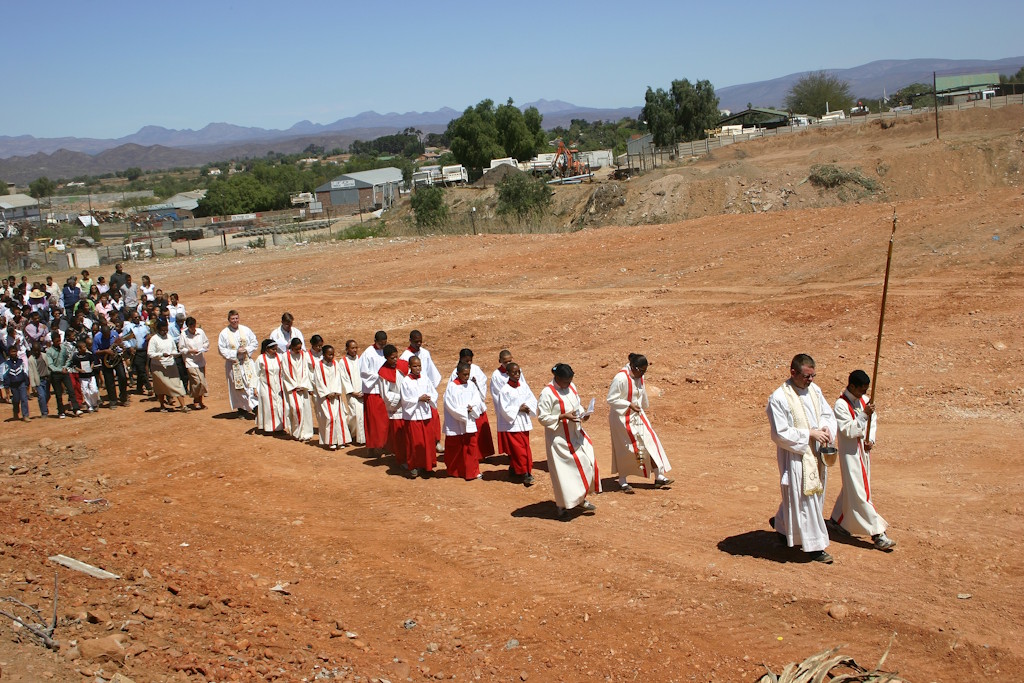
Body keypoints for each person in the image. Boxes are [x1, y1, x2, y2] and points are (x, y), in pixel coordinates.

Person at [767, 353, 838, 564]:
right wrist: (809, 434)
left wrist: (825, 428)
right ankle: (815, 546)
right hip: (796, 456)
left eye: (813, 375)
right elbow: (779, 433)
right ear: (793, 372)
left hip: (815, 454)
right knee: (805, 499)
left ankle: (781, 526)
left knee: (804, 497)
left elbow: (827, 413)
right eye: (807, 376)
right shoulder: (779, 397)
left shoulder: (815, 391)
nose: (811, 380)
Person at [828, 370, 896, 551]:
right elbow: (848, 431)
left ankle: (837, 519)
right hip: (850, 455)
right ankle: (878, 534)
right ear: (852, 386)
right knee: (861, 492)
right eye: (862, 390)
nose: (864, 393)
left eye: (866, 390)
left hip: (863, 453)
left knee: (854, 486)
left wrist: (870, 439)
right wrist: (864, 415)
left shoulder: (865, 400)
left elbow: (873, 422)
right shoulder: (840, 405)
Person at [538, 363, 600, 517]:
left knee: (586, 463)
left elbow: (576, 405)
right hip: (559, 440)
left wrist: (584, 414)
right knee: (563, 474)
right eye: (565, 381)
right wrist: (561, 416)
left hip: (575, 434)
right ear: (557, 378)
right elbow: (542, 417)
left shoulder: (572, 387)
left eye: (570, 381)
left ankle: (580, 499)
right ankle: (562, 507)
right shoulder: (547, 393)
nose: (568, 384)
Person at [607, 353, 673, 493]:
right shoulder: (620, 378)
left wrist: (641, 408)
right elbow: (611, 399)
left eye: (645, 371)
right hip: (621, 418)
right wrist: (629, 405)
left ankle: (659, 476)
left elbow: (641, 394)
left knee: (650, 441)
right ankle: (623, 481)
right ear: (634, 367)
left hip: (637, 415)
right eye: (641, 371)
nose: (643, 374)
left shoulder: (639, 375)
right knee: (626, 449)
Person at [494, 362, 537, 486]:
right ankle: (525, 473)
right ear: (507, 373)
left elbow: (531, 399)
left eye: (518, 372)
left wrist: (528, 407)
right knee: (519, 450)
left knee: (525, 447)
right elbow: (504, 408)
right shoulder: (504, 390)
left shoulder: (523, 386)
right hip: (512, 424)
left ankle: (514, 469)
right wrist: (518, 408)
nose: (517, 374)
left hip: (523, 422)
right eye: (514, 372)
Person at [400, 330, 443, 454]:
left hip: (426, 389)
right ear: (410, 341)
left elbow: (431, 372)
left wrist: (430, 391)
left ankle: (436, 442)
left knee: (433, 418)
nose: (419, 344)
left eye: (420, 341)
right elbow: (403, 377)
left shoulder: (425, 353)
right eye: (416, 341)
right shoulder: (405, 356)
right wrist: (417, 396)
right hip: (413, 392)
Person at [449, 349, 495, 460]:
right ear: (460, 359)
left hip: (476, 404)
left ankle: (483, 454)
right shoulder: (456, 372)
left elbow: (483, 381)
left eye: (470, 360)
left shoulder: (476, 369)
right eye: (466, 360)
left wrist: (476, 383)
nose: (469, 363)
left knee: (481, 431)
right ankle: (473, 455)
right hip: (465, 408)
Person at [442, 362, 486, 480]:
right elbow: (450, 405)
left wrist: (472, 408)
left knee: (471, 446)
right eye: (464, 374)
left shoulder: (471, 385)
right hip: (456, 421)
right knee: (456, 448)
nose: (467, 377)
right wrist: (464, 412)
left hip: (469, 419)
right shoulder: (452, 387)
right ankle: (455, 471)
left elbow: (477, 400)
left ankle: (472, 471)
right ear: (458, 374)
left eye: (468, 374)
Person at [401, 356, 439, 478]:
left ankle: (427, 466)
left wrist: (429, 398)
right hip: (413, 416)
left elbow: (434, 392)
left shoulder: (425, 378)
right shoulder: (406, 381)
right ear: (409, 367)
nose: (417, 369)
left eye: (419, 366)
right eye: (415, 366)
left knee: (427, 442)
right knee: (415, 442)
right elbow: (405, 399)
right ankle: (414, 467)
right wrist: (418, 399)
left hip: (425, 414)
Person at [218, 310, 258, 418]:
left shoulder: (245, 330)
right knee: (238, 387)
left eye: (236, 318)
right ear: (229, 320)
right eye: (232, 319)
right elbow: (222, 349)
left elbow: (254, 342)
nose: (235, 321)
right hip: (234, 364)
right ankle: (242, 408)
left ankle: (255, 406)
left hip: (247, 362)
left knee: (251, 384)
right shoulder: (224, 333)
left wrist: (246, 349)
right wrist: (235, 352)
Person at [311, 344, 348, 450]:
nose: (331, 357)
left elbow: (338, 378)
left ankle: (341, 441)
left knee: (339, 418)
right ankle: (331, 441)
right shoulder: (319, 365)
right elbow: (318, 381)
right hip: (325, 397)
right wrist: (327, 393)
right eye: (329, 354)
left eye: (333, 354)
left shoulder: (335, 364)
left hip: (335, 396)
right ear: (323, 354)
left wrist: (336, 391)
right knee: (329, 418)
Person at [148, 319, 189, 413]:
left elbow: (174, 349)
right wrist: (162, 355)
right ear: (158, 330)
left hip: (170, 364)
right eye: (163, 330)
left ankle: (183, 405)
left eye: (166, 330)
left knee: (177, 384)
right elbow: (150, 353)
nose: (165, 332)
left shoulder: (170, 337)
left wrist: (175, 353)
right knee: (161, 386)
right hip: (158, 366)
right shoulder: (154, 339)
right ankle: (162, 405)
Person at [360, 331, 389, 455]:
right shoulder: (368, 353)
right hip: (372, 391)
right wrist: (379, 376)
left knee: (384, 420)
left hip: (385, 390)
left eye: (384, 343)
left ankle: (384, 445)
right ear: (375, 340)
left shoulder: (386, 351)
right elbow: (363, 372)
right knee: (373, 420)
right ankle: (372, 446)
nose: (382, 346)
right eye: (380, 344)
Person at [377, 345, 407, 463]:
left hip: (408, 407)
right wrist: (401, 398)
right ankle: (401, 460)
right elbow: (386, 394)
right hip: (397, 410)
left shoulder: (403, 365)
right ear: (386, 358)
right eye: (392, 358)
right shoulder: (383, 373)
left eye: (396, 357)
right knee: (399, 439)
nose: (395, 360)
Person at [282, 337, 314, 442]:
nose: (298, 351)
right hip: (292, 388)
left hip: (303, 387)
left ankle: (306, 433)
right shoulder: (285, 356)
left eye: (300, 348)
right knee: (296, 409)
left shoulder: (304, 355)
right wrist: (295, 385)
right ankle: (297, 433)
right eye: (296, 349)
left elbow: (307, 370)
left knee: (305, 409)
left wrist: (304, 385)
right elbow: (285, 372)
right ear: (292, 347)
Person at [92, 318, 129, 408]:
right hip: (106, 361)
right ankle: (113, 400)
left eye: (108, 335)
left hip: (116, 358)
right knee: (109, 381)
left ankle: (123, 397)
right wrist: (105, 351)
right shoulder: (97, 337)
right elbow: (94, 351)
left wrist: (121, 346)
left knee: (123, 377)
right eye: (105, 335)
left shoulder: (114, 334)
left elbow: (119, 343)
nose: (107, 336)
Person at [44, 331, 82, 418]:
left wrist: (65, 367)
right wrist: (61, 370)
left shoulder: (63, 348)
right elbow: (50, 365)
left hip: (65, 372)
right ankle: (61, 411)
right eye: (57, 341)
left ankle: (76, 409)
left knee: (71, 390)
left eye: (59, 340)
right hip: (55, 375)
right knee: (58, 393)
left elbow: (68, 358)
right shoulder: (49, 352)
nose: (59, 343)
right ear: (53, 341)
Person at [178, 316, 209, 410]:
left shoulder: (200, 332)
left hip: (200, 360)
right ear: (187, 326)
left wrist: (203, 348)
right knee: (196, 381)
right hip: (190, 361)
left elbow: (206, 342)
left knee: (202, 382)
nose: (193, 328)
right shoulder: (184, 335)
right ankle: (196, 400)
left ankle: (200, 400)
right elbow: (181, 348)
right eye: (191, 326)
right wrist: (190, 351)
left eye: (194, 326)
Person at [255, 339, 286, 433]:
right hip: (266, 387)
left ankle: (279, 428)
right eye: (273, 349)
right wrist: (255, 388)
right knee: (268, 407)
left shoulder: (280, 358)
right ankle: (268, 428)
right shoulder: (260, 359)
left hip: (278, 386)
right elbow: (256, 374)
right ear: (267, 349)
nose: (275, 351)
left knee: (279, 406)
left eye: (276, 349)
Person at [339, 339, 365, 445]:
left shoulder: (361, 359)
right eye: (352, 348)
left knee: (362, 415)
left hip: (362, 392)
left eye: (356, 348)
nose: (355, 350)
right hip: (352, 393)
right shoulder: (343, 362)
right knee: (354, 414)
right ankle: (352, 432)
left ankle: (361, 438)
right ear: (347, 349)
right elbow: (344, 378)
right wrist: (352, 392)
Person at [70, 339, 100, 412]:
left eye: (85, 347)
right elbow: (74, 366)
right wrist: (80, 370)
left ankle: (95, 402)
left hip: (90, 375)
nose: (85, 348)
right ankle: (90, 405)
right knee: (85, 391)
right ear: (79, 349)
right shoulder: (75, 357)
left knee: (94, 390)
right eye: (83, 347)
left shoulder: (89, 355)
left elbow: (92, 362)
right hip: (82, 377)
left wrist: (91, 368)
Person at [3, 345, 31, 421]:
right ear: (9, 353)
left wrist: (27, 383)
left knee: (24, 398)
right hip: (13, 384)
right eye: (12, 352)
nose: (14, 353)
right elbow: (5, 375)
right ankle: (16, 412)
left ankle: (25, 415)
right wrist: (6, 386)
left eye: (15, 351)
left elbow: (25, 372)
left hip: (21, 383)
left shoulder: (20, 362)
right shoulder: (7, 364)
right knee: (16, 399)